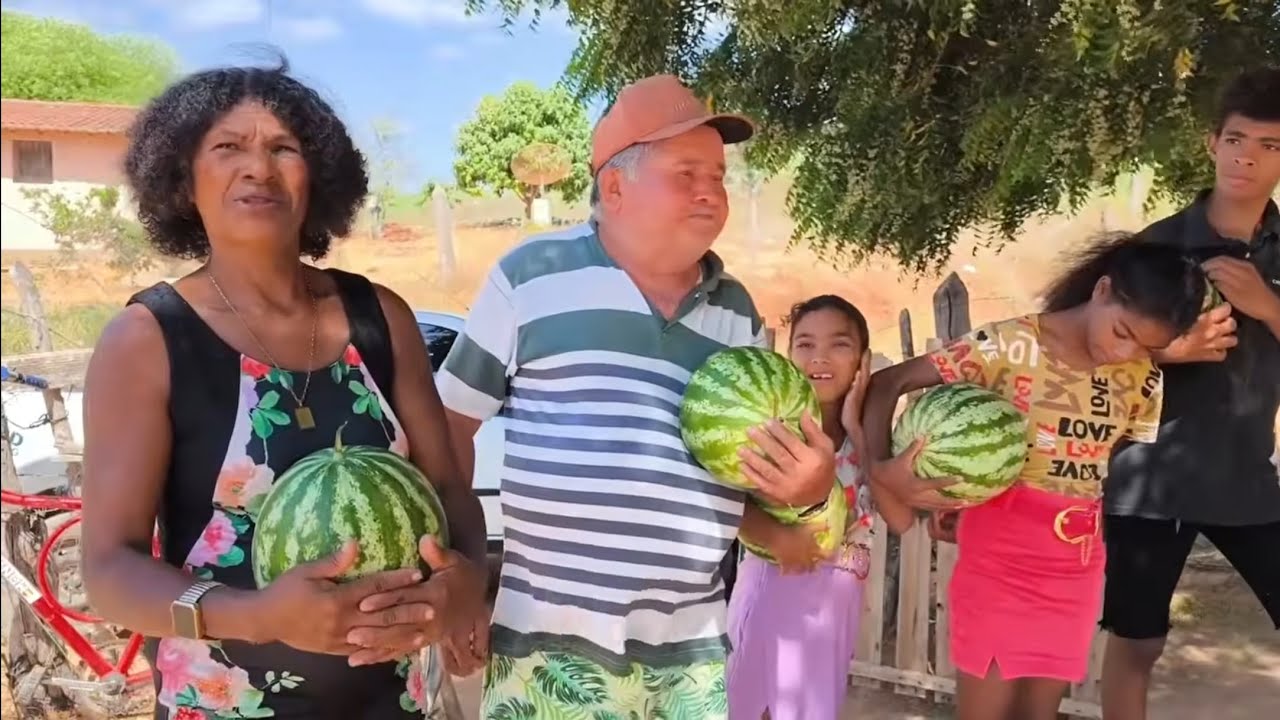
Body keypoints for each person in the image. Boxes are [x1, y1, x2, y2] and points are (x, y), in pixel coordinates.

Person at [79, 61, 489, 719]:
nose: (259, 169)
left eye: (283, 148)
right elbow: (108, 571)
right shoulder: (149, 339)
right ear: (184, 181)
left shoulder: (380, 317)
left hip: (396, 702)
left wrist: (466, 581)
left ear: (317, 176)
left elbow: (447, 492)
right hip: (220, 705)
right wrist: (255, 614)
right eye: (228, 147)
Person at [436, 74, 838, 718]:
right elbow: (447, 431)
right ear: (616, 187)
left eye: (719, 175)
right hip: (548, 647)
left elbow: (720, 477)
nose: (711, 190)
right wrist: (460, 579)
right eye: (686, 173)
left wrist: (801, 498)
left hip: (689, 656)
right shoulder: (533, 275)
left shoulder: (736, 315)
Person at [862, 233, 1207, 720]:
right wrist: (883, 470)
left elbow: (1101, 463)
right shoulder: (1007, 344)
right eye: (1122, 333)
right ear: (1103, 290)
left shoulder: (1144, 378)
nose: (1123, 353)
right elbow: (886, 383)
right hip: (998, 561)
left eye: (1146, 347)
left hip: (1075, 569)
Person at [1100, 66, 1280, 719]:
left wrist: (1267, 304)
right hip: (1151, 483)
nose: (1247, 158)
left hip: (1250, 478)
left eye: (1270, 146)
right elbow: (1095, 352)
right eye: (1236, 139)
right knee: (1136, 644)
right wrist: (1168, 351)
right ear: (1213, 143)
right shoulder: (1156, 249)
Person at [726, 295, 914, 720]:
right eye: (805, 345)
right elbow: (737, 508)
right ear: (788, 355)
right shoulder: (774, 430)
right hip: (773, 589)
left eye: (839, 344)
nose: (819, 358)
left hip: (833, 612)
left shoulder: (869, 431)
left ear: (863, 361)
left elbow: (899, 518)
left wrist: (856, 431)